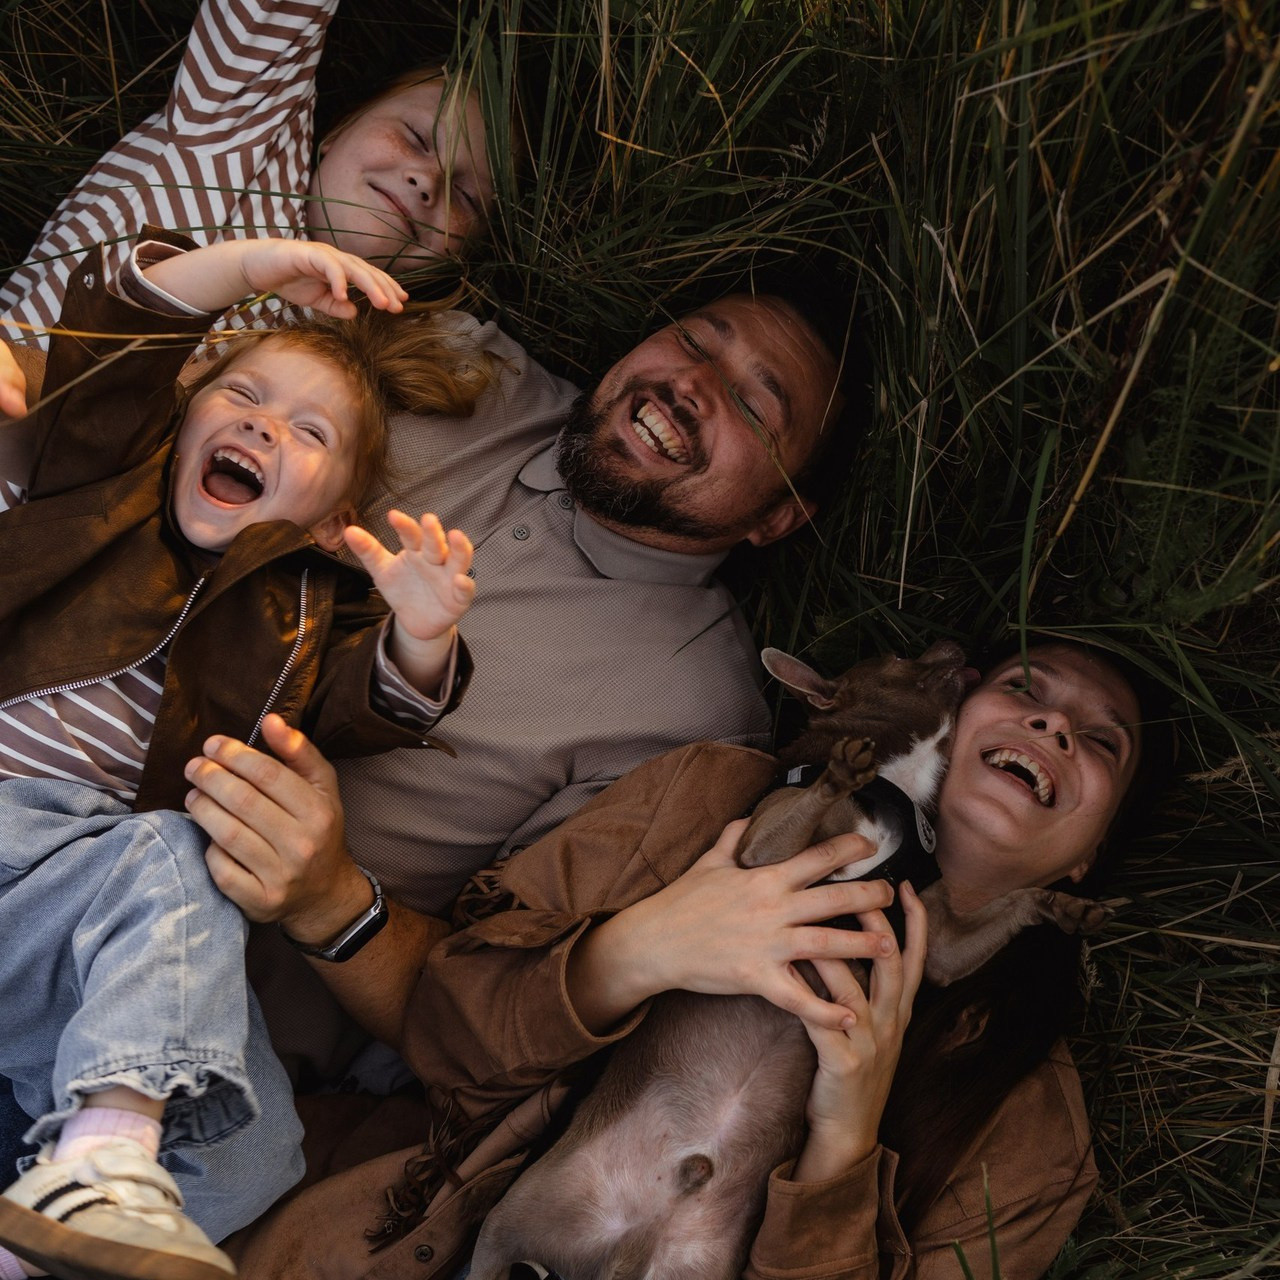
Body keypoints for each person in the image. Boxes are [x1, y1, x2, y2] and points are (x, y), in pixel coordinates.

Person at [214, 638, 1155, 1278]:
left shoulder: (1032, 1138)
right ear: (956, 716)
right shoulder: (715, 799)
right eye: (1026, 688)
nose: (1054, 725)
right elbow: (442, 1030)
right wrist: (637, 952)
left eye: (1099, 738)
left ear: (1087, 856)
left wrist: (843, 1147)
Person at [0, 232, 493, 1280]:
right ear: (179, 420)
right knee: (179, 855)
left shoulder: (298, 619)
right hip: (19, 826)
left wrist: (420, 632)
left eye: (308, 431)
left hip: (56, 941)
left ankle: (50, 1220)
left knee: (254, 1152)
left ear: (332, 524)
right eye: (242, 398)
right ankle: (104, 1157)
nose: (263, 425)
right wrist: (253, 267)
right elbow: (123, 336)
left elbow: (365, 708)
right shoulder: (104, 484)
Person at [0, 0, 495, 354]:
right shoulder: (242, 130)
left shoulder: (368, 357)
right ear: (339, 129)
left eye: (467, 198)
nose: (427, 181)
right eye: (414, 137)